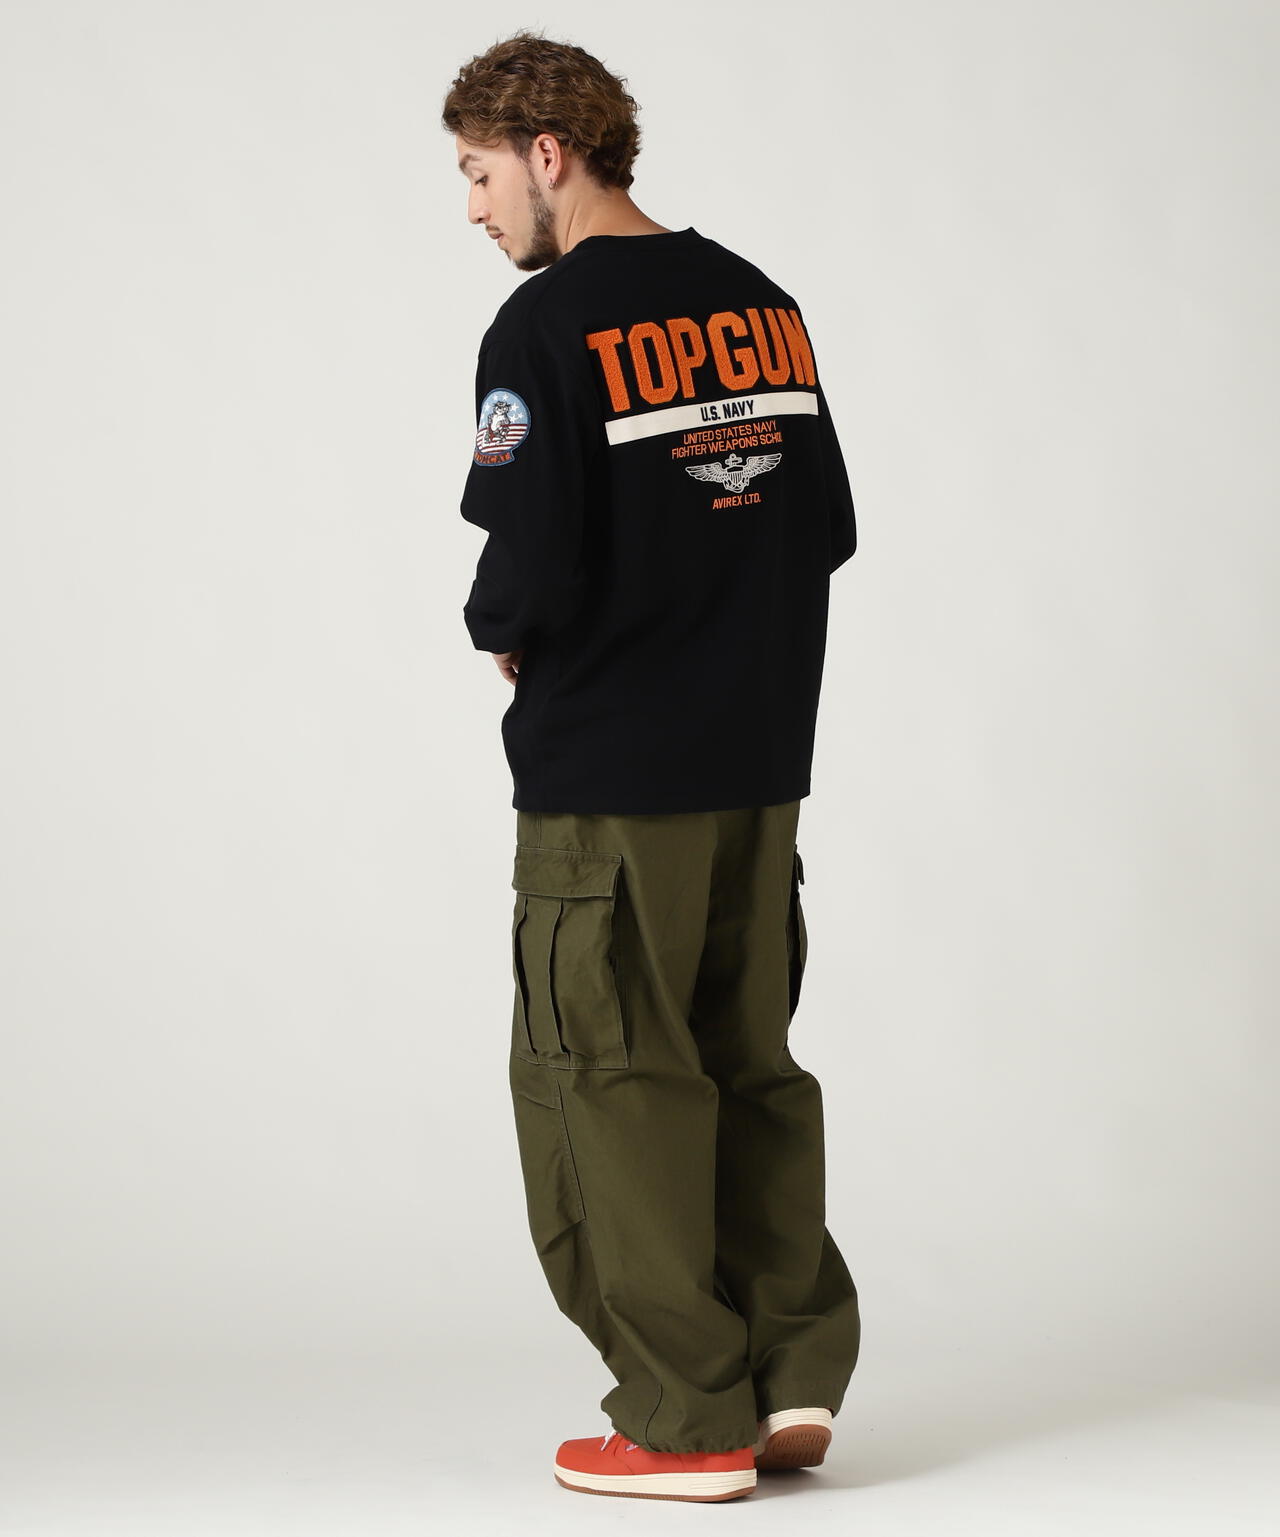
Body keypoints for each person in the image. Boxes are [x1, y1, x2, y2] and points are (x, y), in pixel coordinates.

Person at [442, 29, 861, 1503]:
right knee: (749, 1060)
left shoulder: (543, 329)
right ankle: (791, 1370)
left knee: (606, 1077)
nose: (475, 208)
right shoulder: (760, 304)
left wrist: (503, 629)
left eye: (480, 173)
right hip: (760, 765)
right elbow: (822, 526)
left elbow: (528, 565)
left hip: (612, 779)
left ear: (549, 153)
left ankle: (686, 1421)